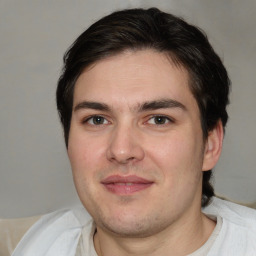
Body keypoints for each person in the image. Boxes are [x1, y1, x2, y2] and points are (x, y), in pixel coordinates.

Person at [9, 7, 256, 256]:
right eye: (97, 120)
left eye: (159, 120)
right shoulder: (44, 243)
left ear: (210, 144)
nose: (122, 150)